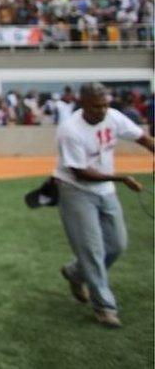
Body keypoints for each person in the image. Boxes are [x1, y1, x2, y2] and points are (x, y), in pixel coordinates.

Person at [54, 82, 154, 328]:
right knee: (92, 250)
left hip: (105, 190)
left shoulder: (113, 117)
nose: (103, 110)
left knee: (117, 244)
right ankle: (105, 307)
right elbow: (79, 173)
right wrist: (121, 178)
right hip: (76, 191)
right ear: (83, 104)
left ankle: (76, 273)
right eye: (97, 106)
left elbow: (142, 137)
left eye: (106, 104)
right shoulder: (70, 130)